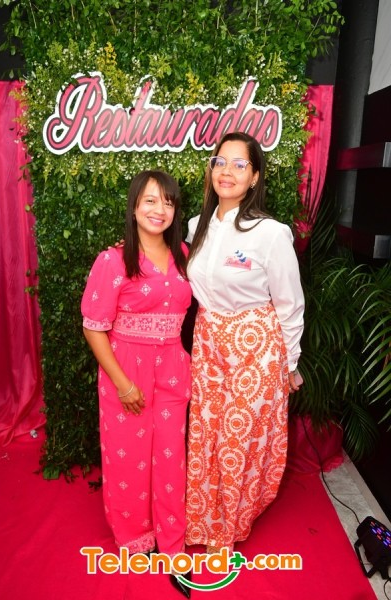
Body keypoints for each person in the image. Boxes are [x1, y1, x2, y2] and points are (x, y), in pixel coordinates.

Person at [184, 131, 305, 554]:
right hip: (208, 342)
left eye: (240, 165)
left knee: (237, 439)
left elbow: (290, 303)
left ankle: (227, 531)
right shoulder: (196, 226)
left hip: (255, 346)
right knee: (206, 432)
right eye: (220, 162)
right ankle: (202, 520)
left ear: (254, 177)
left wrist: (290, 363)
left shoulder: (270, 233)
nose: (227, 171)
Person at [81, 170, 192, 597]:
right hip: (126, 369)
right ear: (133, 207)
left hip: (173, 370)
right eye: (150, 200)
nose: (159, 209)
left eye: (167, 202)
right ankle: (135, 539)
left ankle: (172, 542)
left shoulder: (184, 254)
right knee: (128, 459)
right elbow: (94, 327)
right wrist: (123, 384)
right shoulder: (113, 260)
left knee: (170, 458)